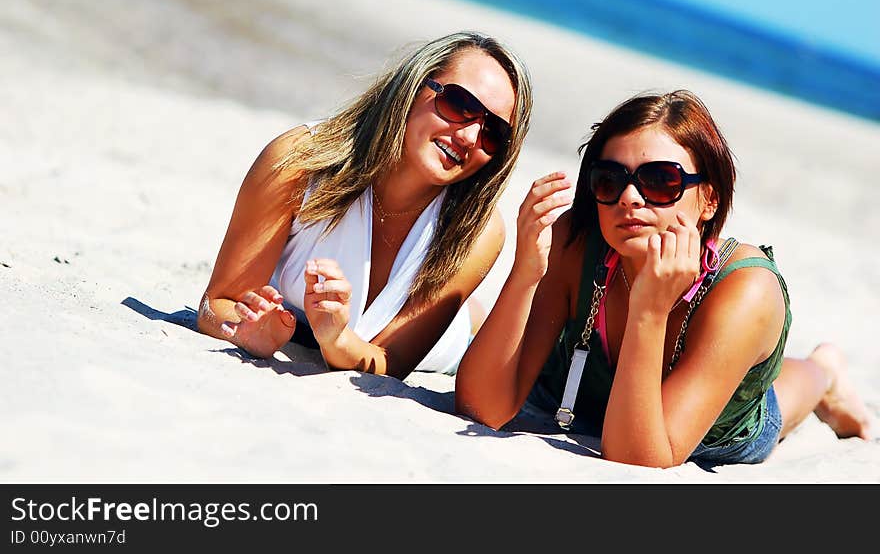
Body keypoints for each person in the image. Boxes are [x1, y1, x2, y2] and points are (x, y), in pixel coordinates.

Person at [455, 90, 872, 467]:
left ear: (709, 200)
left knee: (781, 397)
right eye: (609, 180)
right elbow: (483, 406)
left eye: (660, 181)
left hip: (710, 433)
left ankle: (825, 371)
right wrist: (526, 273)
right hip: (582, 395)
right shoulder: (577, 240)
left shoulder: (745, 290)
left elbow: (636, 460)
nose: (629, 198)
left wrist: (649, 310)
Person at [197, 31, 532, 377]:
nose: (468, 137)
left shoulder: (476, 232)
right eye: (460, 105)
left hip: (444, 344)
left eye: (493, 132)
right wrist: (252, 333)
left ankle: (470, 313)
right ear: (414, 88)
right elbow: (217, 303)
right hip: (301, 320)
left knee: (465, 325)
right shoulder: (299, 161)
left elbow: (393, 361)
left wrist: (337, 339)